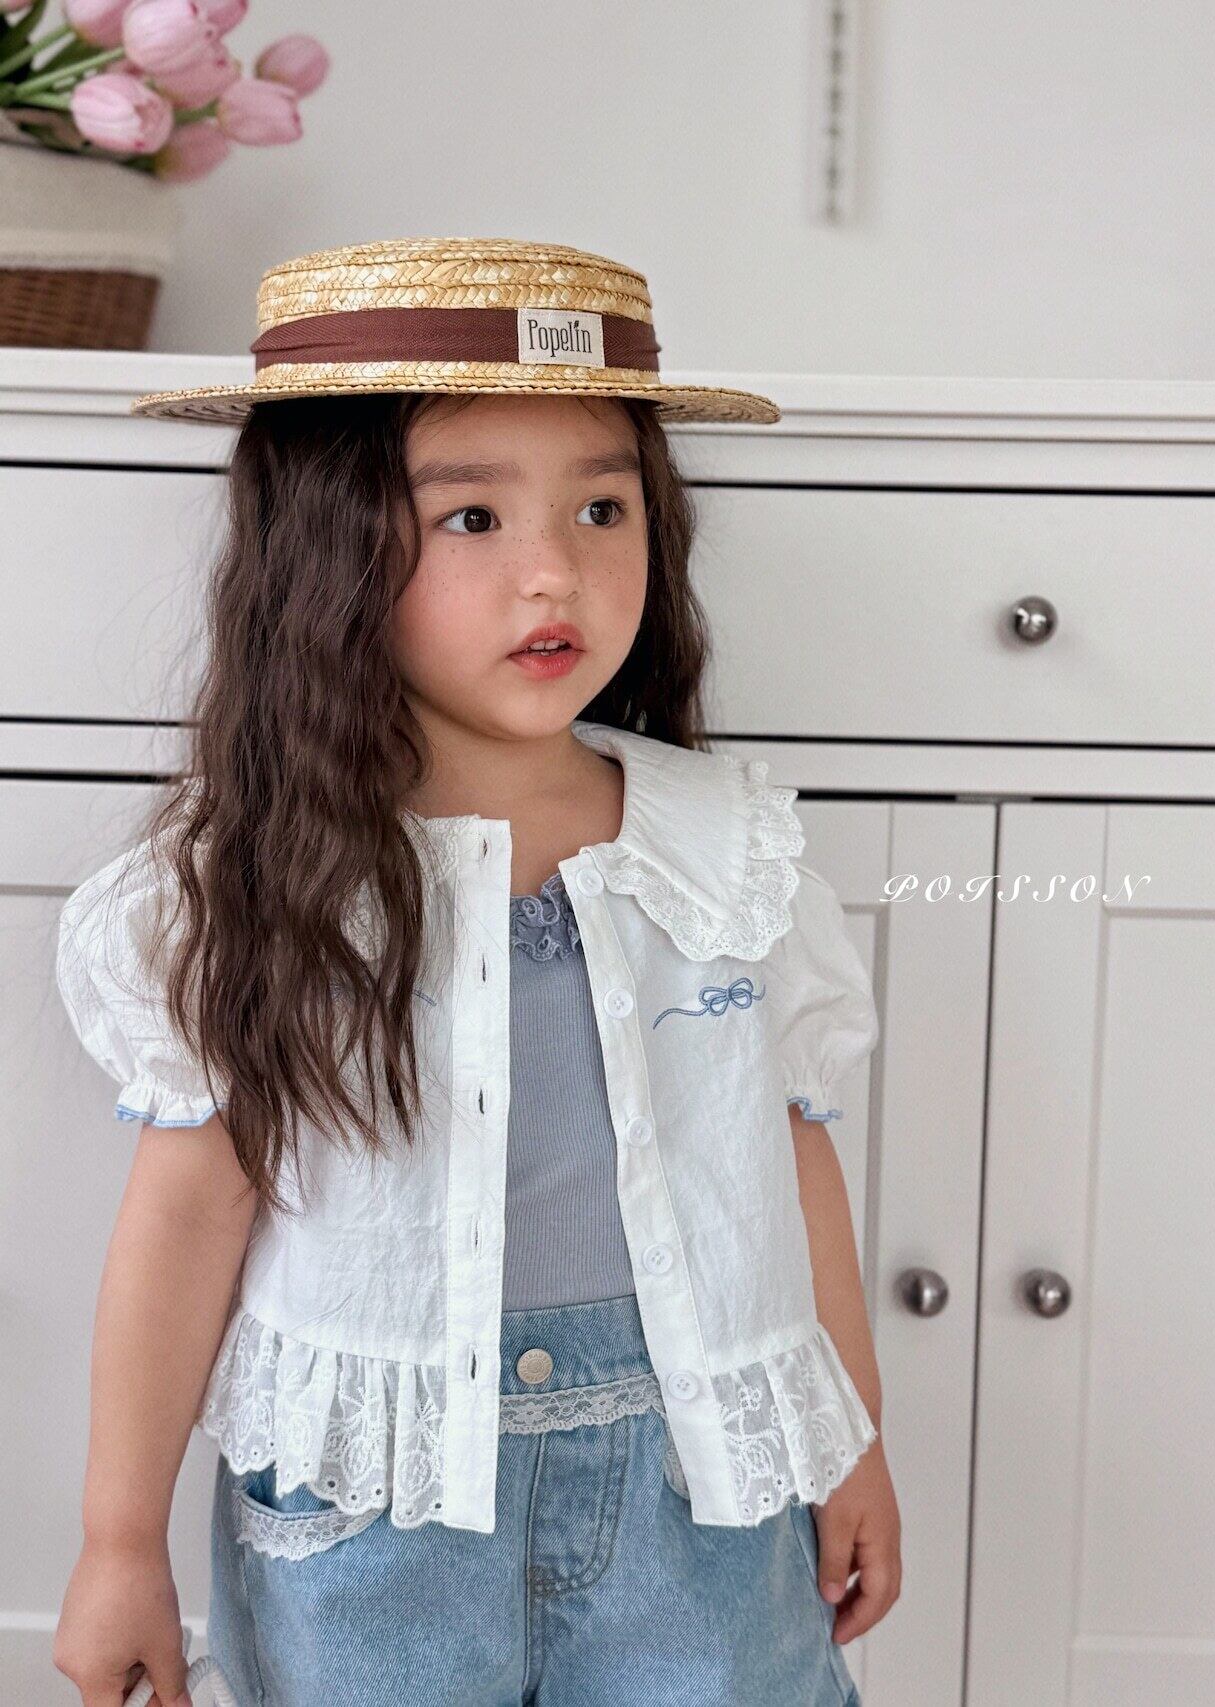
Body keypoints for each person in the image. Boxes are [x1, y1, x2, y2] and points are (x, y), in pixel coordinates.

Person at [51, 237, 902, 1707]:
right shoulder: (254, 879)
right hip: (374, 1508)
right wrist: (120, 1541)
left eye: (602, 507)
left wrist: (854, 1448)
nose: (555, 569)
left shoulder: (726, 851)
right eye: (470, 517)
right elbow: (188, 1209)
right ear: (327, 549)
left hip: (703, 1490)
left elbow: (789, 1161)